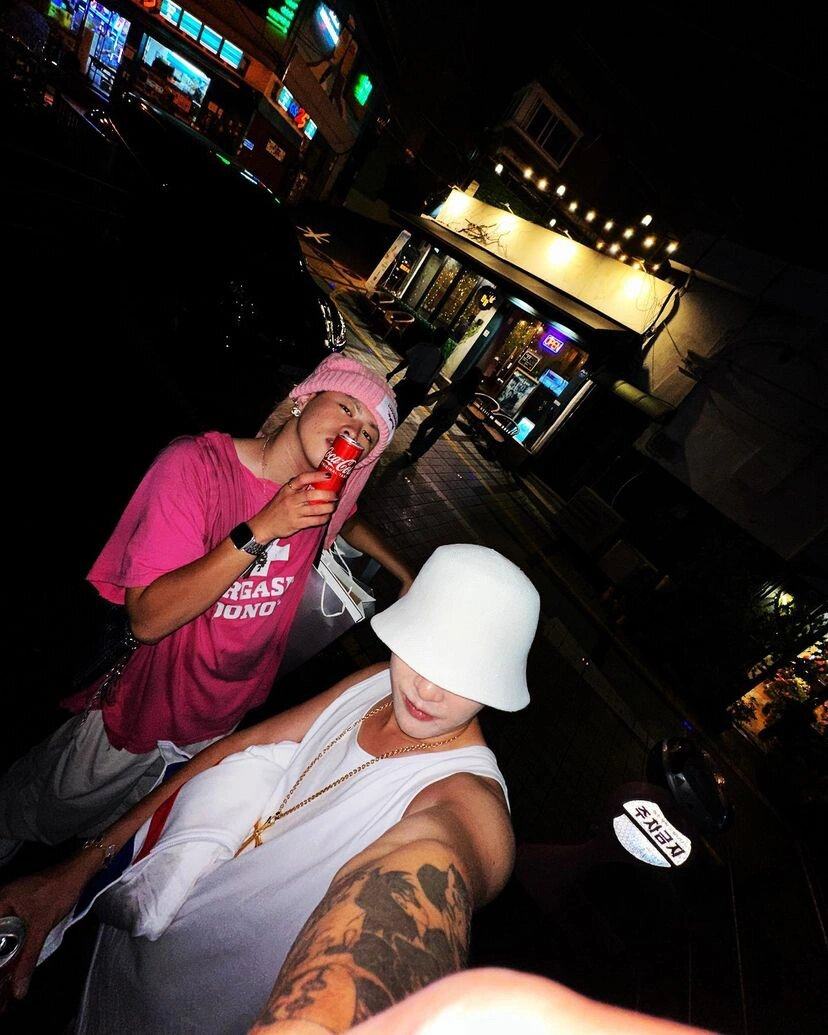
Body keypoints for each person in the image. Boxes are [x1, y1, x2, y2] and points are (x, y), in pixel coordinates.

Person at [0, 545, 540, 1034]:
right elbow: (236, 746)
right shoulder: (375, 683)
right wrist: (81, 866)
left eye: (464, 672)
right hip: (139, 939)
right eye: (421, 648)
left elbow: (429, 883)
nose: (426, 687)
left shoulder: (468, 801)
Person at [0, 354, 413, 863]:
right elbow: (148, 619)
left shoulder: (322, 501)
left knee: (118, 836)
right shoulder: (196, 468)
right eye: (347, 407)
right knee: (48, 806)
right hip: (146, 702)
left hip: (220, 720)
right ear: (303, 398)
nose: (355, 432)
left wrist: (403, 571)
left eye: (369, 435)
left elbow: (347, 521)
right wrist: (264, 527)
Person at [401, 367, 484, 464]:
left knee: (424, 428)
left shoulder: (459, 385)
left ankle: (414, 450)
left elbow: (442, 392)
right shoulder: (469, 393)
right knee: (431, 436)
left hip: (442, 413)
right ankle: (415, 453)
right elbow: (455, 403)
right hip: (448, 418)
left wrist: (429, 397)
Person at [385, 336, 444, 425]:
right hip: (416, 389)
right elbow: (431, 379)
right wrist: (423, 395)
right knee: (400, 415)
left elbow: (406, 362)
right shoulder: (440, 358)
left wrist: (393, 373)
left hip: (408, 384)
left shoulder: (422, 347)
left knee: (389, 406)